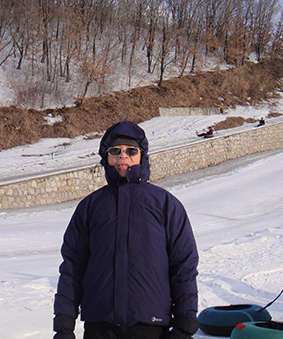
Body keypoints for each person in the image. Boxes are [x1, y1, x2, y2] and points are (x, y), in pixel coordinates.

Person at [53, 120, 199, 339]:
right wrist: (64, 323)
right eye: (115, 151)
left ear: (142, 156)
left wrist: (184, 324)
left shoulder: (165, 205)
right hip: (100, 326)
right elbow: (72, 266)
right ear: (106, 157)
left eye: (131, 151)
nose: (123, 156)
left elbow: (183, 266)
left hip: (150, 326)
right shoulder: (90, 206)